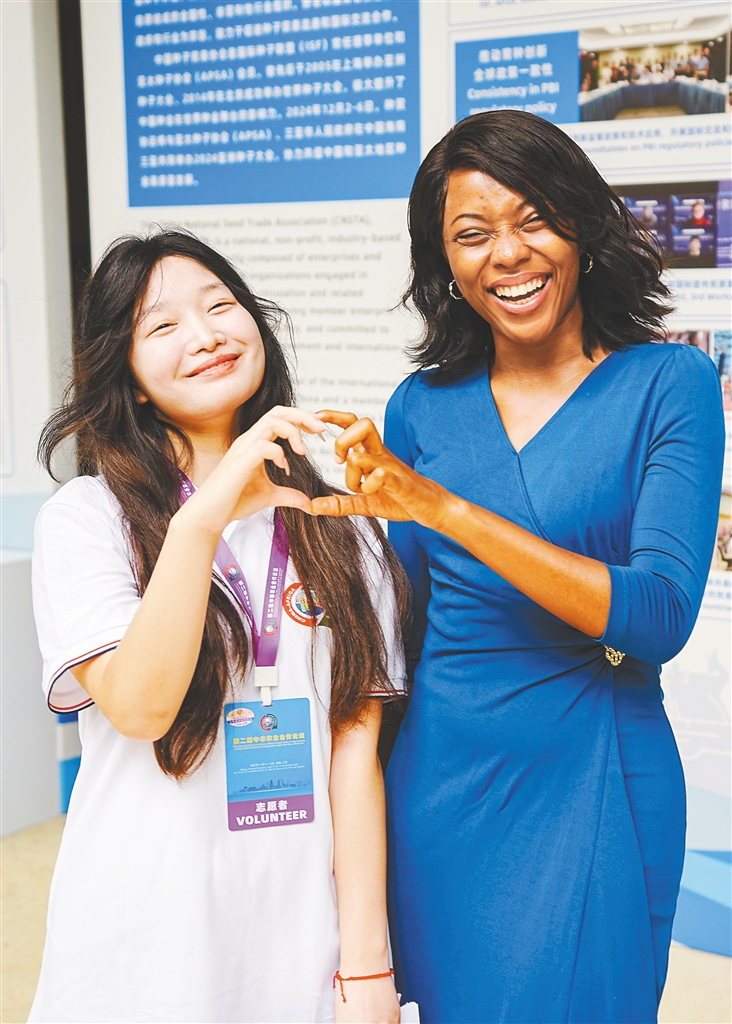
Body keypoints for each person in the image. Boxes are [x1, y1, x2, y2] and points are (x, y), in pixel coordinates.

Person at [311, 111, 725, 1023]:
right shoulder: (421, 405)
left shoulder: (672, 384)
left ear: (582, 224)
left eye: (533, 217)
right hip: (439, 783)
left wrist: (443, 508)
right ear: (444, 262)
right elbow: (402, 632)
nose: (507, 253)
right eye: (472, 234)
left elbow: (658, 614)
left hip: (595, 767)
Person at [29, 231, 408, 1024]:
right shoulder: (87, 520)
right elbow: (141, 707)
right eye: (162, 325)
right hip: (140, 939)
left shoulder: (341, 524)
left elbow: (355, 749)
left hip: (298, 936)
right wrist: (202, 519)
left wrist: (368, 965)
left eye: (221, 305)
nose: (204, 335)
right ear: (129, 378)